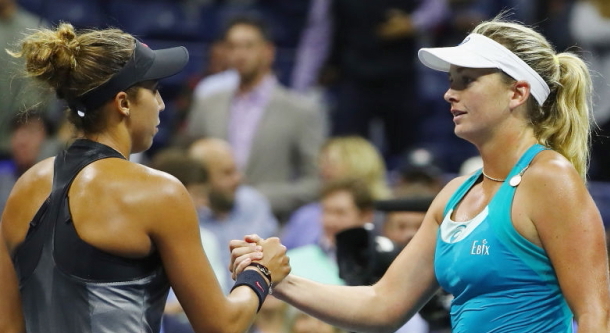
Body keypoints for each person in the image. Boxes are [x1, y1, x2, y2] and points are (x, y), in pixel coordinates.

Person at [231, 16, 610, 332]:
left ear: (517, 93)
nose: (450, 93)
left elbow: (596, 315)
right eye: (451, 81)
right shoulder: (453, 195)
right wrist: (276, 278)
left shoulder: (550, 178)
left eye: (467, 80)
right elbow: (382, 305)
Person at [0, 23, 290, 333]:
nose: (162, 105)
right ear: (123, 103)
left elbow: (6, 324)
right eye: (154, 91)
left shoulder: (25, 185)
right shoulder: (158, 193)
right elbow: (222, 325)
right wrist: (261, 273)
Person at [185, 15, 325, 220]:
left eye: (248, 46)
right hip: (208, 220)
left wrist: (253, 197)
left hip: (271, 224)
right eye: (232, 47)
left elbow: (315, 183)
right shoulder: (208, 102)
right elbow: (190, 161)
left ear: (268, 51)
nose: (239, 54)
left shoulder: (300, 110)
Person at [188, 138, 279, 290]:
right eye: (227, 173)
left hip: (258, 299)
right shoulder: (187, 216)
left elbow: (273, 261)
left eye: (236, 170)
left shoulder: (253, 204)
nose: (238, 179)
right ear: (202, 178)